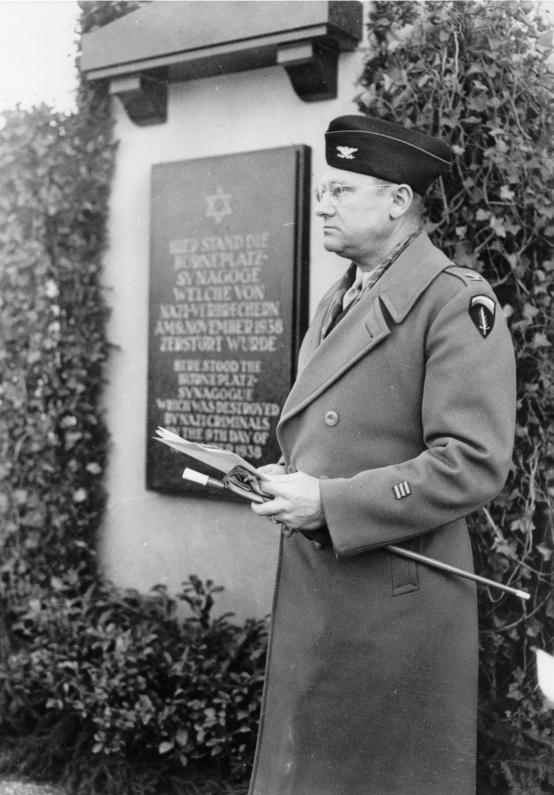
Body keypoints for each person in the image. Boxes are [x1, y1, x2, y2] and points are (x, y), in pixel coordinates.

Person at [247, 115, 517, 795]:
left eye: (342, 190)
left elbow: (473, 461)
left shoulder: (456, 301)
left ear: (398, 201)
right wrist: (289, 476)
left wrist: (331, 502)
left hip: (395, 605)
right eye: (326, 190)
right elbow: (334, 433)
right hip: (328, 591)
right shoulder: (339, 298)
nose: (323, 202)